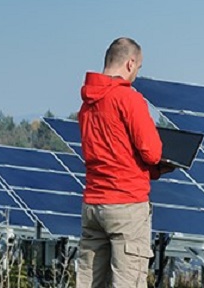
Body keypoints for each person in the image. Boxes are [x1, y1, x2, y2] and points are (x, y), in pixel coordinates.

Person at [76, 37, 172, 288]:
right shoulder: (128, 99)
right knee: (127, 281)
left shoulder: (87, 104)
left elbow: (107, 152)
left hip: (93, 204)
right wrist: (159, 165)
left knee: (89, 281)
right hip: (126, 204)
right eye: (138, 68)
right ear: (130, 63)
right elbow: (151, 152)